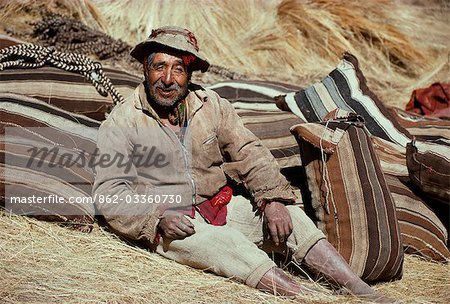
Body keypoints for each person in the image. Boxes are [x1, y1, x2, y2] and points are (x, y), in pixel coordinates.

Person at [92, 26, 393, 302]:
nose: (168, 79)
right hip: (172, 222)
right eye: (159, 67)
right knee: (225, 246)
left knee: (292, 217)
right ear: (145, 68)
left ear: (190, 74)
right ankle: (312, 298)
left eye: (178, 69)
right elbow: (109, 192)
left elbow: (250, 151)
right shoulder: (122, 121)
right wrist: (156, 218)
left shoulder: (212, 106)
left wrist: (272, 199)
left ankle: (361, 291)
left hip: (219, 206)